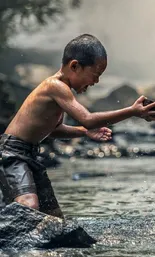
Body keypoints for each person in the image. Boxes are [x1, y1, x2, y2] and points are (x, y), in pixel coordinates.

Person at [0, 33, 155, 219]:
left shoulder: (61, 92)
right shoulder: (55, 86)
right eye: (95, 75)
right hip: (12, 154)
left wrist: (84, 132)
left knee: (54, 218)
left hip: (29, 155)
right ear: (75, 66)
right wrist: (132, 111)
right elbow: (87, 118)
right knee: (28, 204)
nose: (96, 82)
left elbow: (54, 130)